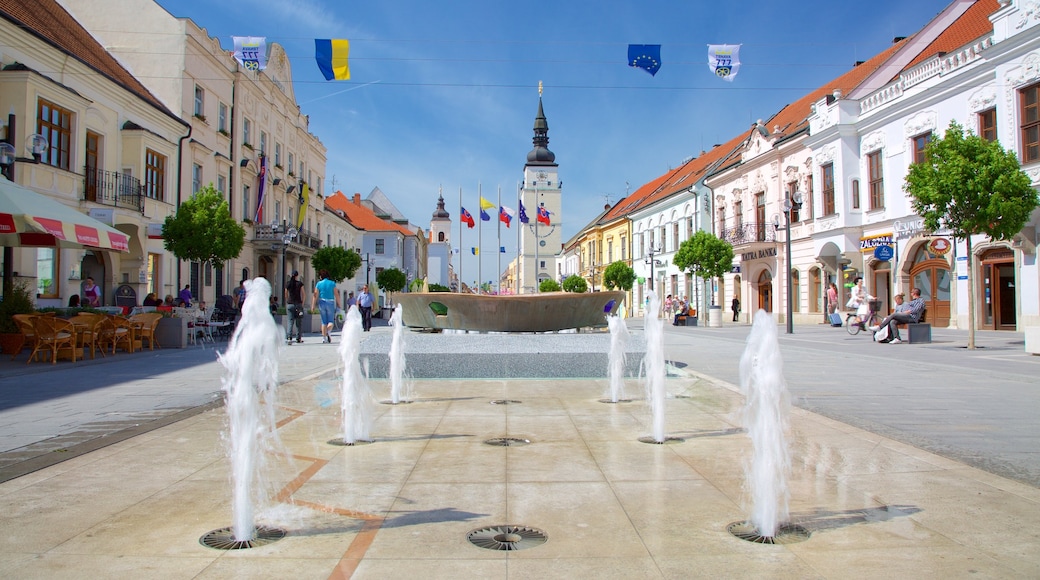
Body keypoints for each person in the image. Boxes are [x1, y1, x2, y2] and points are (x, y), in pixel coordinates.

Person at [311, 269, 339, 343]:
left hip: (322, 302)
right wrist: (339, 303)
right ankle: (328, 331)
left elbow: (315, 295)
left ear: (321, 276)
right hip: (330, 302)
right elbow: (336, 294)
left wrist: (313, 305)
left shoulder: (319, 284)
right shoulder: (332, 283)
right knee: (331, 321)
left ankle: (324, 338)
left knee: (323, 321)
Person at [284, 270, 305, 344]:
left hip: (290, 304)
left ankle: (289, 338)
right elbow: (303, 294)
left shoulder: (288, 283)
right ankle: (298, 338)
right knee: (298, 322)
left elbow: (286, 293)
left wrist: (287, 300)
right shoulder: (300, 284)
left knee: (290, 321)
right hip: (298, 304)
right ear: (297, 276)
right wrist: (303, 303)